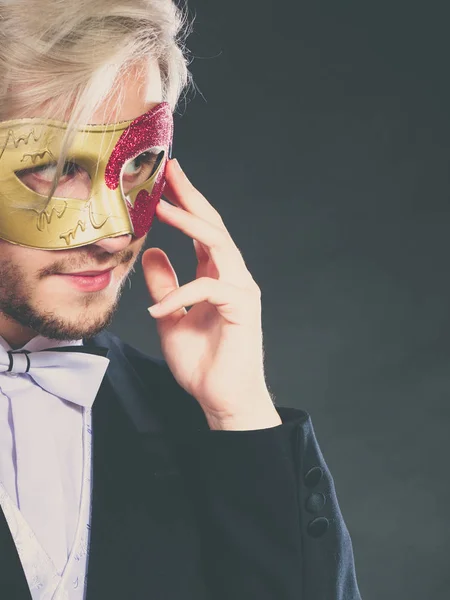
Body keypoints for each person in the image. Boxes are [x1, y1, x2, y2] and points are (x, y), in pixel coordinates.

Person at [0, 1, 362, 598]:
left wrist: (240, 416)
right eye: (54, 167)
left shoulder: (191, 425)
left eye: (140, 162)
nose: (115, 233)